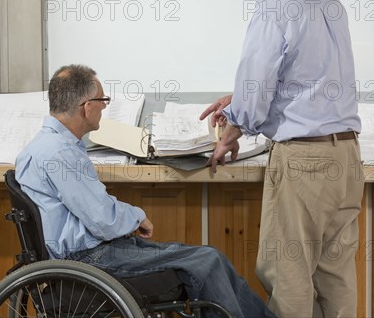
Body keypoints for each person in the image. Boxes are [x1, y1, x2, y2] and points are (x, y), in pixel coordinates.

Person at [16, 64, 275, 318]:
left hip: (88, 252)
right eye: (103, 100)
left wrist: (128, 216)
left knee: (210, 258)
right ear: (87, 107)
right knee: (207, 262)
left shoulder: (41, 147)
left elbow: (94, 210)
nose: (104, 107)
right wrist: (137, 216)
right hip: (90, 258)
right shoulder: (61, 153)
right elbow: (103, 220)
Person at [200, 0, 365, 317]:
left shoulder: (273, 6)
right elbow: (309, 79)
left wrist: (230, 132)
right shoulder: (328, 1)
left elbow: (258, 87)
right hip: (346, 158)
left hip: (303, 163)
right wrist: (240, 97)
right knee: (336, 279)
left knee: (288, 275)